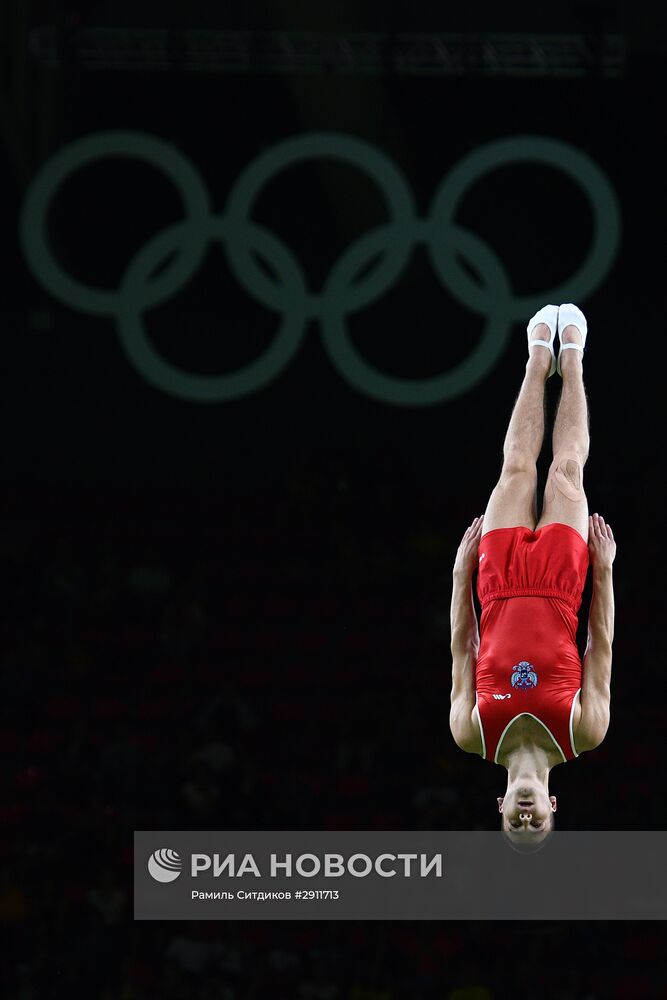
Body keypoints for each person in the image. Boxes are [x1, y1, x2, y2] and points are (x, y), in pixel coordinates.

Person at [448, 303, 616, 846]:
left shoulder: (470, 733)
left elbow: (460, 645)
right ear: (552, 805)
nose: (525, 817)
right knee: (566, 467)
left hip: (496, 584)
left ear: (499, 806)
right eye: (536, 824)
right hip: (563, 585)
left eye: (513, 824)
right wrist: (606, 573)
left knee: (517, 467)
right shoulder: (584, 733)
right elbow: (601, 646)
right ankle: (573, 361)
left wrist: (459, 574)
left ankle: (535, 357)